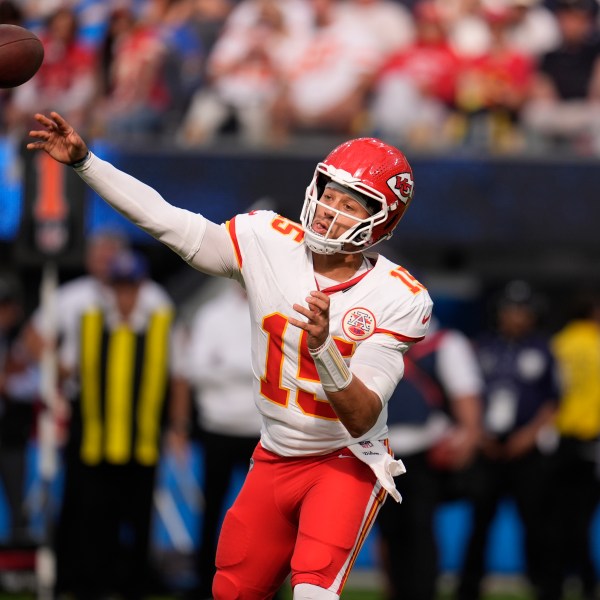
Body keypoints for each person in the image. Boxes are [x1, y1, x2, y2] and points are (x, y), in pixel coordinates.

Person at [27, 110, 432, 600]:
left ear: (380, 219)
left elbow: (363, 415)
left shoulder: (398, 296)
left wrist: (324, 348)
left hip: (344, 458)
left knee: (314, 592)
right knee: (233, 591)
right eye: (328, 192)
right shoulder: (268, 240)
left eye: (350, 202)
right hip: (274, 453)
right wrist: (86, 163)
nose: (329, 208)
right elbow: (168, 222)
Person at [51, 249, 186, 600]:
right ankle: (91, 584)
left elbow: (177, 378)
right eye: (119, 287)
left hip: (141, 441)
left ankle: (133, 585)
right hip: (95, 441)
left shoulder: (160, 324)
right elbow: (63, 368)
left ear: (141, 288)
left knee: (139, 523)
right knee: (94, 522)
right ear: (110, 289)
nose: (125, 295)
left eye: (131, 287)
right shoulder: (89, 323)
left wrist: (177, 428)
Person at [456, 281, 560, 600]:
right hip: (487, 447)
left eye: (522, 311)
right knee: (480, 523)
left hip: (527, 449)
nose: (515, 317)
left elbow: (553, 399)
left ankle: (546, 587)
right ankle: (469, 588)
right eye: (510, 310)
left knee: (536, 523)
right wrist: (480, 436)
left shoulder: (543, 349)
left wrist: (528, 436)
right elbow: (467, 393)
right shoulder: (482, 346)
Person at [377, 315, 483, 600]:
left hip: (426, 449)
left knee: (420, 529)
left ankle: (423, 592)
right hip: (377, 453)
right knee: (389, 532)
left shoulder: (442, 342)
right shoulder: (370, 339)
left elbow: (466, 393)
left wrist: (467, 438)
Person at [178, 280, 262, 597]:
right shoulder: (211, 314)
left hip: (259, 429)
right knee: (212, 510)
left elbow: (274, 371)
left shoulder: (270, 310)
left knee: (263, 515)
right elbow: (196, 368)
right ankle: (204, 583)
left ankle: (263, 583)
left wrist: (224, 365)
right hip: (217, 427)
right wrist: (246, 370)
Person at [549, 292, 600, 600]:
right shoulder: (597, 345)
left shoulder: (559, 344)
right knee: (582, 518)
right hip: (590, 441)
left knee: (559, 517)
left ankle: (556, 580)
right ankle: (587, 582)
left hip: (558, 442)